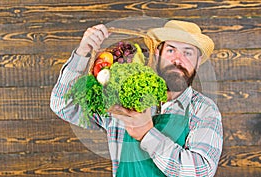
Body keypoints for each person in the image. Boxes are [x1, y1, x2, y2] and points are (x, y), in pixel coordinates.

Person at [50, 20, 223, 177]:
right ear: (157, 54)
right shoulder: (120, 100)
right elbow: (62, 105)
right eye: (171, 50)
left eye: (188, 53)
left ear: (198, 61)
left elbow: (201, 171)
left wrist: (147, 134)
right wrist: (83, 53)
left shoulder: (203, 110)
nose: (178, 60)